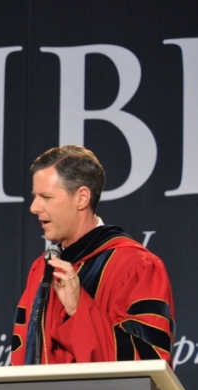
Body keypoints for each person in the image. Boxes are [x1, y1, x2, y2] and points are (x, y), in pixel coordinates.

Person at [11, 145, 175, 365]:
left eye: (46, 197)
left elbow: (147, 362)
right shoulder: (42, 269)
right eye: (35, 196)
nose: (33, 207)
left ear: (81, 198)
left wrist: (79, 309)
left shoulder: (136, 265)